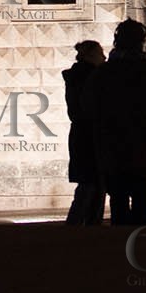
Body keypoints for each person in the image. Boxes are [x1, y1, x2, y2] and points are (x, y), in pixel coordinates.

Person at [88, 19, 146, 226]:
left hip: (114, 147)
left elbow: (91, 109)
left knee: (118, 201)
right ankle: (138, 245)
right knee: (143, 203)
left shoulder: (104, 73)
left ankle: (121, 245)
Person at [63, 40, 107, 225]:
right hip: (91, 135)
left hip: (84, 134)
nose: (104, 57)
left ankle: (84, 223)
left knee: (91, 182)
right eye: (100, 53)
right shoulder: (92, 78)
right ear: (90, 56)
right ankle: (83, 223)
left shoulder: (79, 77)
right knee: (92, 182)